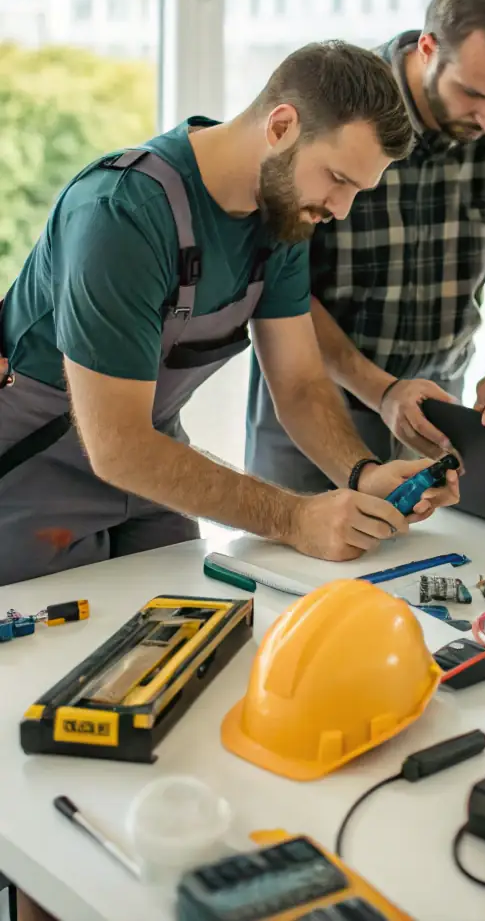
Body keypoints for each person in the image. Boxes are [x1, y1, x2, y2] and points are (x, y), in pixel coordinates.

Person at [0, 41, 460, 588]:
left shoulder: (283, 215)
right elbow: (118, 446)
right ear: (282, 126)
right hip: (33, 475)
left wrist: (363, 475)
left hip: (151, 466)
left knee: (194, 633)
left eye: (357, 192)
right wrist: (294, 518)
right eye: (338, 179)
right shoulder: (121, 214)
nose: (341, 210)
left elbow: (300, 384)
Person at [246, 0, 485, 487]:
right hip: (315, 395)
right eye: (474, 94)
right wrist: (381, 390)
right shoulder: (343, 108)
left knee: (433, 564)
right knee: (301, 562)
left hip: (435, 407)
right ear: (428, 48)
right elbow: (278, 285)